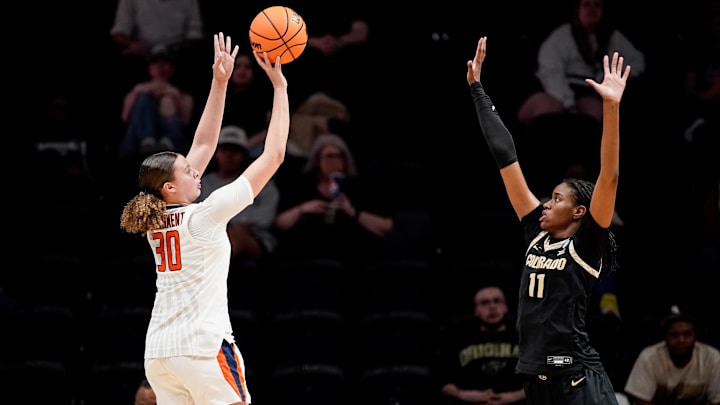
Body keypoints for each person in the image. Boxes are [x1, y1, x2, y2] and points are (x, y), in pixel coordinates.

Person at [119, 32, 290, 404]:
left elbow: (202, 145)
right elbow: (274, 155)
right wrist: (280, 86)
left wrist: (219, 81)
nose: (197, 171)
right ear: (168, 186)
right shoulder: (207, 216)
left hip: (161, 353)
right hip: (202, 348)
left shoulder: (153, 220)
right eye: (187, 171)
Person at [466, 36, 629, 403]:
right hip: (534, 378)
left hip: (577, 380)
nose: (544, 204)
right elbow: (506, 157)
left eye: (556, 199)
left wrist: (611, 107)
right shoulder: (534, 233)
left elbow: (609, 177)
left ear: (579, 212)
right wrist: (478, 90)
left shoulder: (586, 246)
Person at [516, 0, 645, 127]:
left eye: (597, 5)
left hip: (589, 91)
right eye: (587, 4)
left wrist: (611, 76)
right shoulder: (561, 36)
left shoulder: (612, 37)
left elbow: (637, 61)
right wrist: (568, 102)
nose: (592, 9)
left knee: (596, 113)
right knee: (546, 110)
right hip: (555, 90)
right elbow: (551, 72)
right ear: (578, 8)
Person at [273, 133, 394, 266]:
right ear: (317, 161)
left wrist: (352, 212)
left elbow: (386, 227)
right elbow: (280, 224)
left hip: (350, 258)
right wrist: (303, 209)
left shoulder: (359, 188)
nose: (334, 161)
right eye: (329, 156)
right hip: (308, 256)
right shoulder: (302, 187)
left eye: (339, 156)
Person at [197, 125, 280, 265]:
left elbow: (265, 218)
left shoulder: (261, 182)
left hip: (254, 238)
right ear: (216, 153)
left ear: (243, 155)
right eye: (225, 150)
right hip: (208, 236)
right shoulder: (201, 183)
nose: (229, 155)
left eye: (235, 151)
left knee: (231, 238)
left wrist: (232, 224)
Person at [438, 286, 526, 405]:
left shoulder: (526, 339)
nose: (492, 307)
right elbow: (444, 382)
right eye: (485, 303)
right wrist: (462, 394)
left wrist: (513, 397)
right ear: (475, 311)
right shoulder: (459, 340)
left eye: (497, 301)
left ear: (506, 307)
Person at [624, 309, 720, 405]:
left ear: (695, 336)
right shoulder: (648, 358)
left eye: (687, 334)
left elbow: (717, 401)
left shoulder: (713, 359)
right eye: (674, 335)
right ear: (665, 337)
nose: (681, 340)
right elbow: (642, 401)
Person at [118, 49, 194, 160]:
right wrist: (140, 91)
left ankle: (166, 141)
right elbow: (125, 117)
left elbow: (185, 121)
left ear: (172, 68)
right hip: (137, 144)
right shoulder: (137, 91)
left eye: (165, 62)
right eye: (156, 63)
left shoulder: (182, 95)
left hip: (172, 145)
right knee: (143, 100)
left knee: (167, 101)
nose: (160, 66)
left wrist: (172, 96)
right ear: (150, 68)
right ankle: (147, 139)